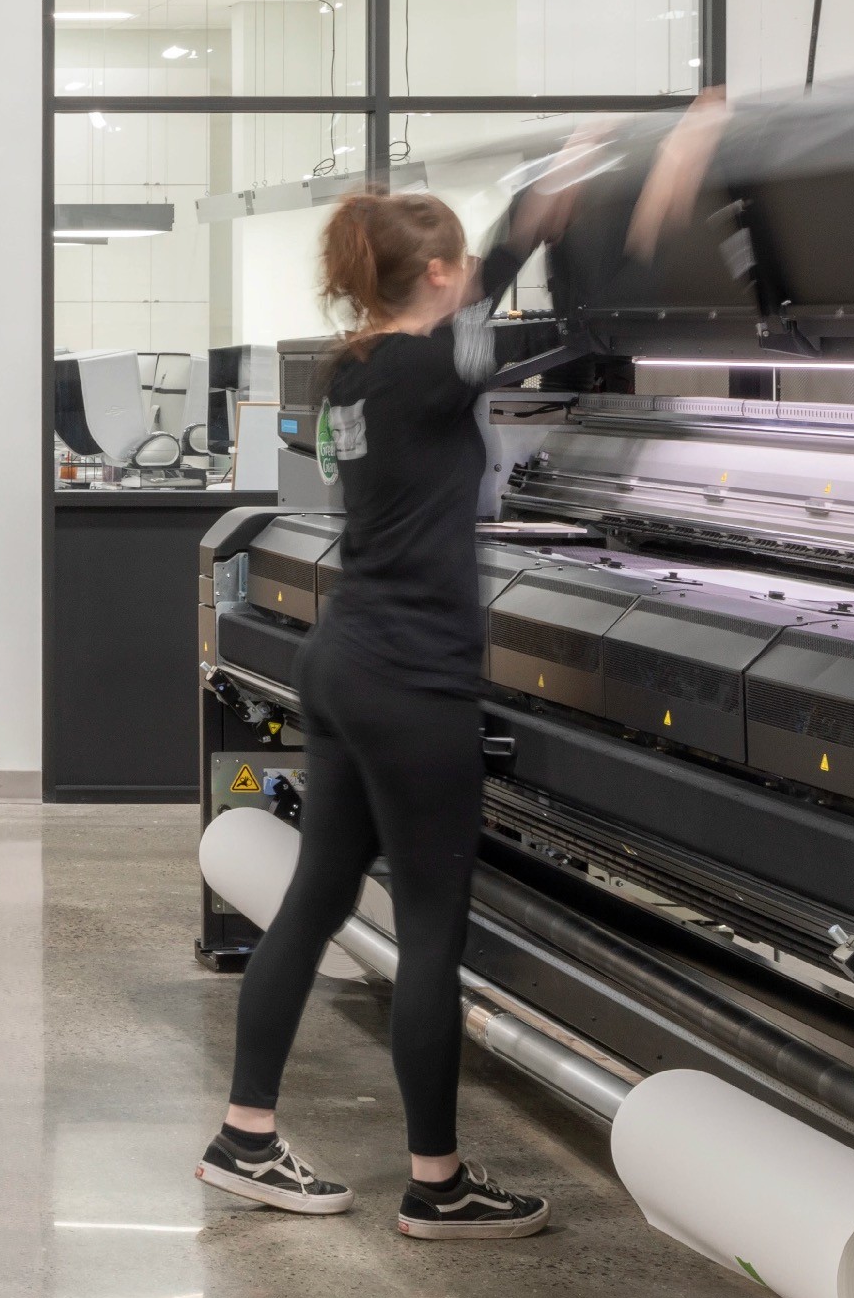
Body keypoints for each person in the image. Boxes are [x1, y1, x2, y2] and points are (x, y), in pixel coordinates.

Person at [201, 185, 574, 1241]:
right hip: (414, 679)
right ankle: (438, 1182)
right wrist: (539, 213)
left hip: (347, 658)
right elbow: (482, 314)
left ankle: (245, 1136)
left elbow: (469, 327)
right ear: (441, 274)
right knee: (428, 935)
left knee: (317, 897)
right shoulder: (424, 366)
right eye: (458, 274)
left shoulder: (352, 368)